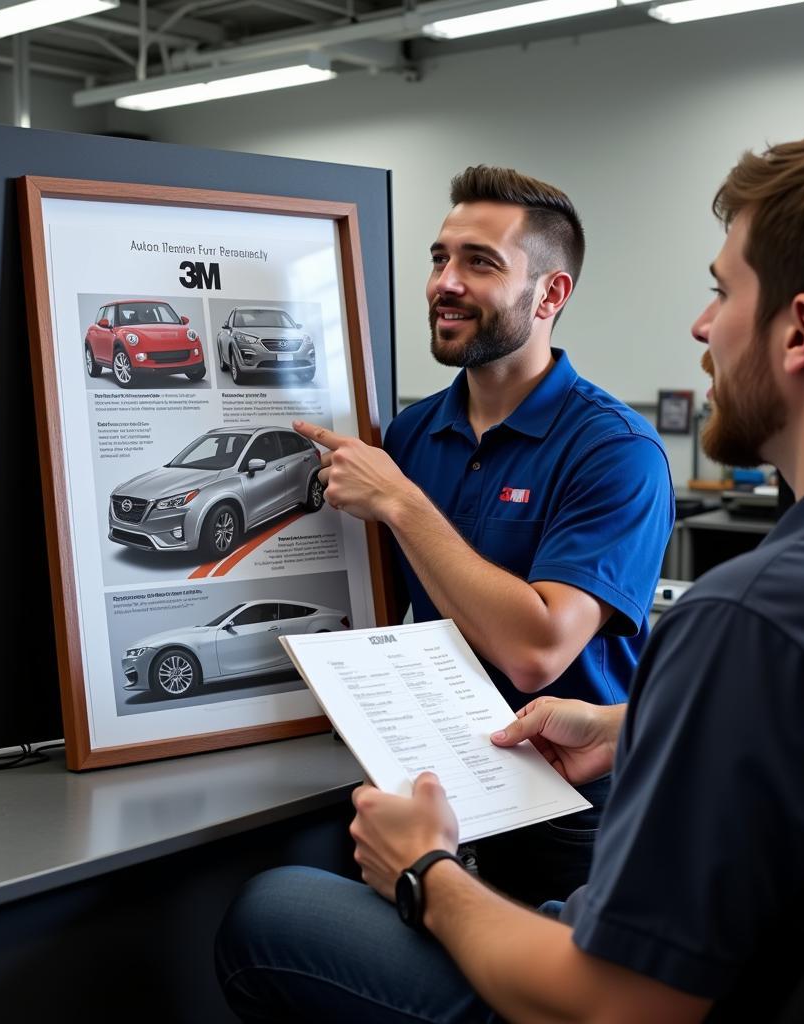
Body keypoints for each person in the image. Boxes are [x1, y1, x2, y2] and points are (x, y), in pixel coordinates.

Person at [216, 127, 804, 1023]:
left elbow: (616, 1005)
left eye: (723, 292)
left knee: (273, 911)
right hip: (762, 948)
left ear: (798, 329)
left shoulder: (748, 614)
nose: (699, 324)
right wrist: (635, 720)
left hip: (638, 973)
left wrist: (425, 873)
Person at [293, 166, 674, 905]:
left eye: (481, 262)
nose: (445, 282)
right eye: (440, 258)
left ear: (551, 295)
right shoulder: (409, 435)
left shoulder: (615, 450)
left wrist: (404, 504)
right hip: (433, 787)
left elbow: (538, 649)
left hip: (569, 810)